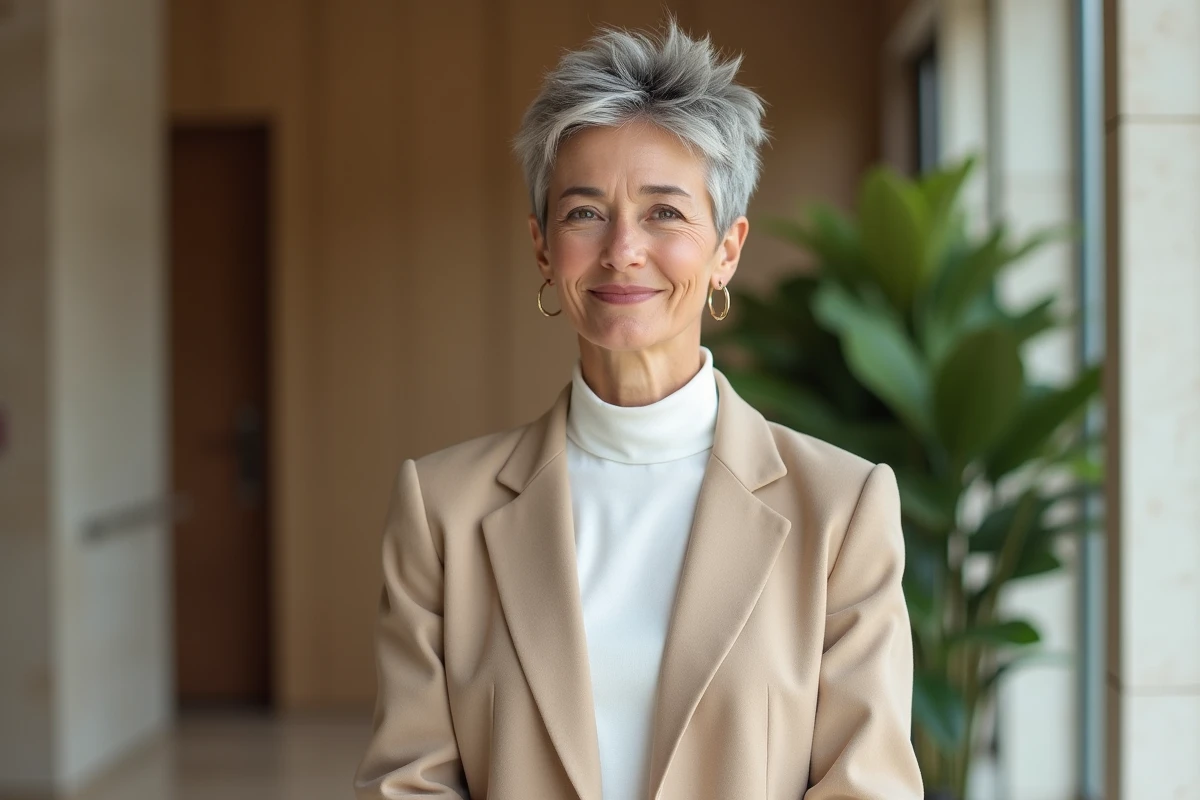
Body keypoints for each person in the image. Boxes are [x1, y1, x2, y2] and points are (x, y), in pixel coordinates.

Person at [354, 20, 923, 800]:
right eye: (586, 212)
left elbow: (869, 785)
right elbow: (406, 783)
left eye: (664, 213)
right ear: (543, 247)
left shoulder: (840, 509)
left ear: (727, 247)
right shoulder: (443, 510)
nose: (623, 249)